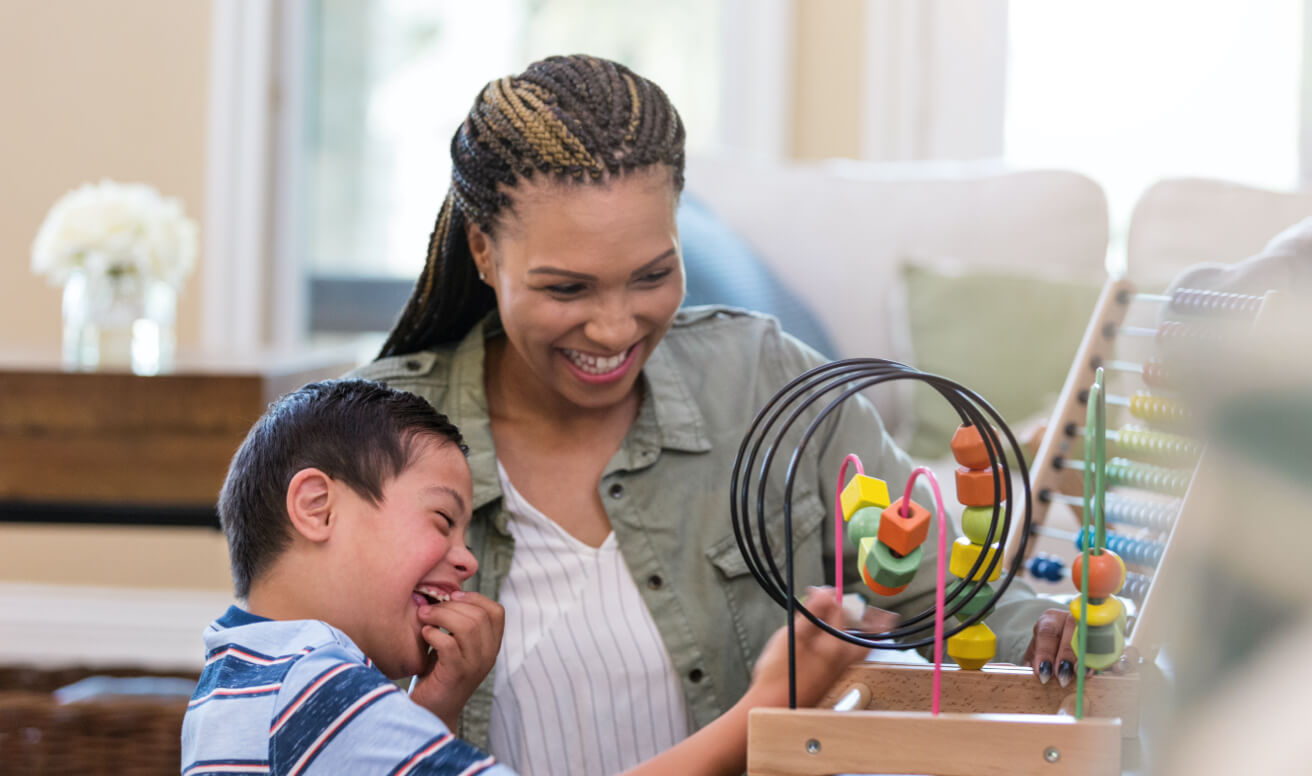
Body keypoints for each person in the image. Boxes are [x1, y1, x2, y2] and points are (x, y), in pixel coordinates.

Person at [351, 53, 1050, 775]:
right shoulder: (366, 440)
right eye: (567, 289)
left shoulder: (764, 378)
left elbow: (945, 587)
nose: (616, 329)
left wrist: (1057, 641)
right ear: (483, 252)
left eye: (653, 275)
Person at [182, 378, 868, 776]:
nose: (467, 557)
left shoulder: (247, 678)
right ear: (317, 507)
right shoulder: (315, 688)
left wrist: (437, 708)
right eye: (444, 518)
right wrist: (762, 710)